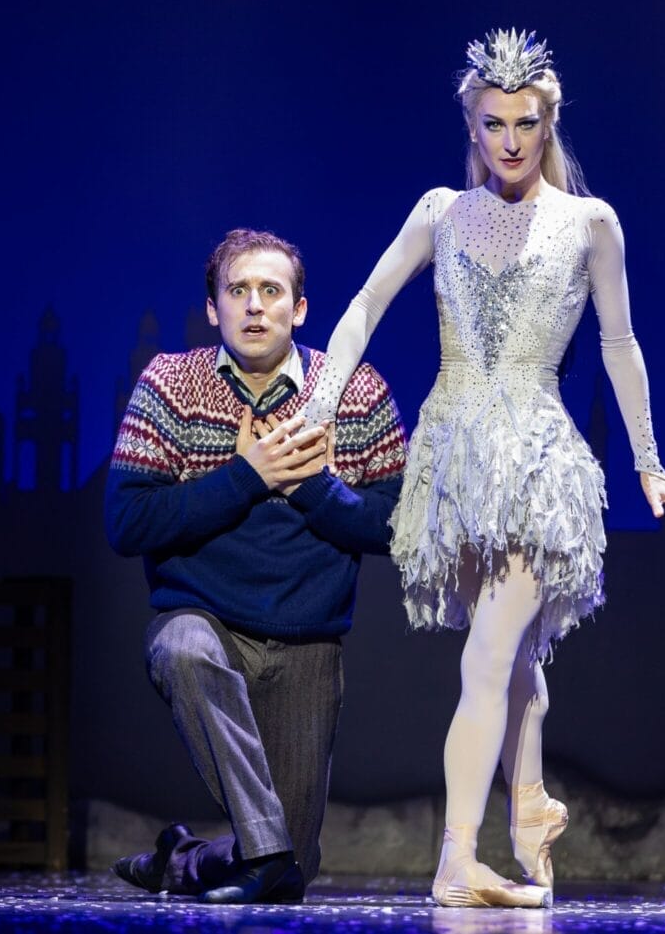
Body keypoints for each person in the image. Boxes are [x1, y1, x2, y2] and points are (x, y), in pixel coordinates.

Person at [307, 29, 665, 908]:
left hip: (535, 457)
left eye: (525, 123)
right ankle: (530, 801)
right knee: (512, 653)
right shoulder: (439, 213)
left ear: (549, 122)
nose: (508, 140)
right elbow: (365, 305)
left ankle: (457, 859)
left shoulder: (590, 223)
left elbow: (620, 343)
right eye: (493, 123)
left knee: (492, 655)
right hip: (453, 455)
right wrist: (319, 402)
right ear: (472, 122)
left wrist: (649, 462)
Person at [104, 228, 407, 904]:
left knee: (286, 866)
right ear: (213, 307)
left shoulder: (353, 391)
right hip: (208, 626)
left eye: (272, 291)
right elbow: (126, 522)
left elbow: (404, 527)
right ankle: (257, 849)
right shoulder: (170, 383)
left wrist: (310, 486)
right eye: (237, 290)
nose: (254, 306)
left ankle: (183, 858)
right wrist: (248, 474)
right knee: (183, 647)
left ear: (300, 308)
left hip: (306, 643)